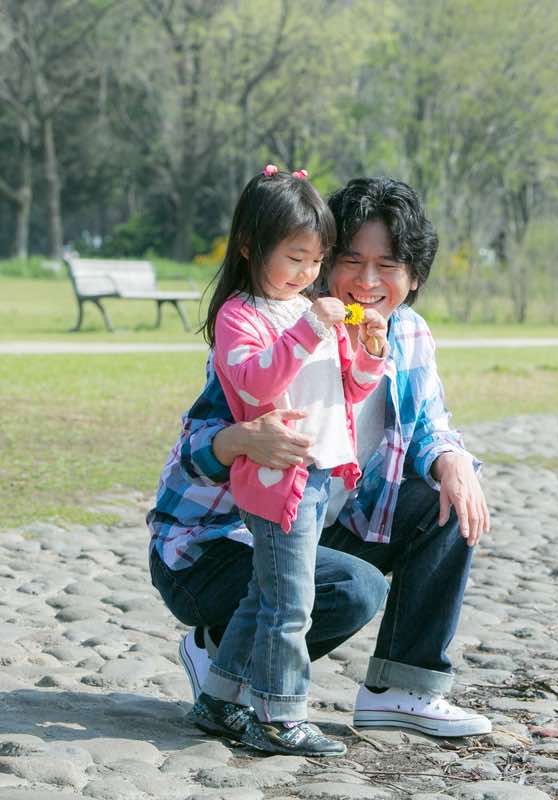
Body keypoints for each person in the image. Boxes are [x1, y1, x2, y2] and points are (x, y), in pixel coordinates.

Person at [148, 176, 493, 745]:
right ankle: (246, 684)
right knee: (350, 588)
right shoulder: (275, 322)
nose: (366, 281)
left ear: (415, 276)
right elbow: (194, 451)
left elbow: (426, 422)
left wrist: (451, 458)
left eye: (387, 266)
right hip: (222, 538)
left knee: (450, 501)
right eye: (350, 260)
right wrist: (239, 441)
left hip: (315, 515)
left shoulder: (405, 332)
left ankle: (401, 691)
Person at [186, 164, 390, 757]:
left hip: (322, 473)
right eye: (295, 258)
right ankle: (278, 714)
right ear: (251, 245)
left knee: (265, 591)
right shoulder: (241, 316)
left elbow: (344, 391)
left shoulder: (310, 309)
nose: (308, 273)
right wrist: (306, 329)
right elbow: (251, 386)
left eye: (315, 261)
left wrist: (369, 351)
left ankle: (220, 697)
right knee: (289, 602)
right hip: (280, 479)